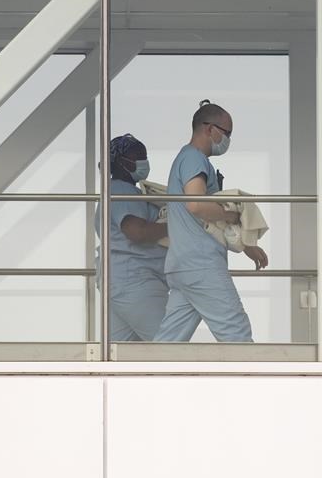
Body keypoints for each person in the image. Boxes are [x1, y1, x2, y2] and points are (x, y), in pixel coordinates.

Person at [154, 100, 269, 342]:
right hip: (201, 264)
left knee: (168, 343)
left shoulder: (186, 159)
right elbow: (195, 204)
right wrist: (229, 214)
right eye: (227, 133)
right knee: (236, 333)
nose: (227, 140)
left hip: (182, 264)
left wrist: (246, 245)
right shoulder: (194, 159)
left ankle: (144, 379)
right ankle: (254, 380)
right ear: (209, 129)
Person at [95, 134, 169, 341]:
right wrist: (176, 226)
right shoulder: (121, 190)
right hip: (136, 283)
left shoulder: (118, 191)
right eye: (139, 156)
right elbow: (137, 232)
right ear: (121, 161)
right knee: (171, 347)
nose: (144, 162)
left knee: (123, 356)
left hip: (120, 283)